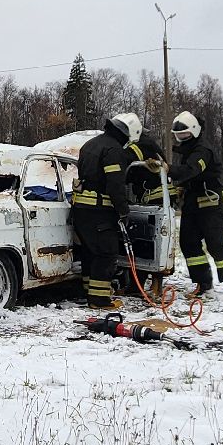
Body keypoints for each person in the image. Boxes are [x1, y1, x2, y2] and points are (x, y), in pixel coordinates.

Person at [72, 112, 141, 310]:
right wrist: (123, 210)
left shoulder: (90, 144)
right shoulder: (114, 150)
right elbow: (114, 185)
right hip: (100, 210)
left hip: (81, 209)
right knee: (107, 253)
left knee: (89, 252)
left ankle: (89, 292)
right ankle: (99, 300)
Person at [169, 112, 223, 295]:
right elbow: (189, 176)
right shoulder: (189, 150)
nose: (182, 138)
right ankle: (202, 283)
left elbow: (192, 169)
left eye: (185, 134)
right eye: (179, 135)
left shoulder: (202, 150)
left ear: (195, 131)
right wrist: (181, 187)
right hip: (193, 203)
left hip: (212, 203)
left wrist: (169, 169)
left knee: (215, 244)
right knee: (188, 243)